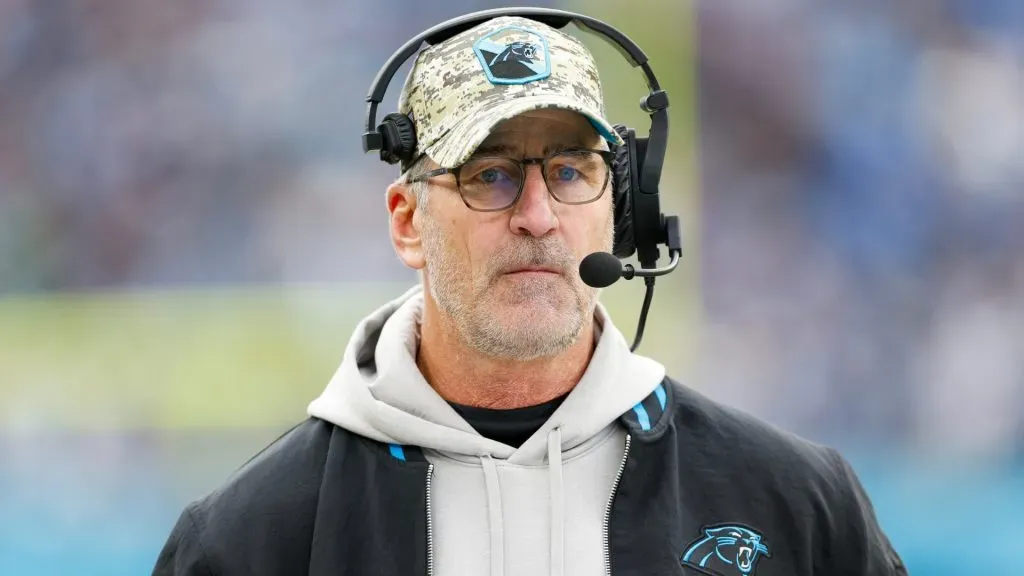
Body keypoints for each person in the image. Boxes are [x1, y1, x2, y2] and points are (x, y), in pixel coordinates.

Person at [151, 13, 907, 576]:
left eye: (572, 171)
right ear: (409, 221)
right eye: (491, 175)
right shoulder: (247, 543)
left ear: (620, 208)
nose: (538, 216)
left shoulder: (797, 508)